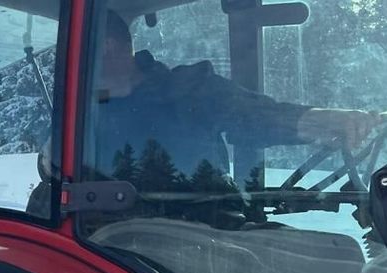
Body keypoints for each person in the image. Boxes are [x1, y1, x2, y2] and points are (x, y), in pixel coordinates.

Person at [93, 11, 382, 183]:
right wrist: (49, 160)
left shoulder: (184, 89)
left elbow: (249, 114)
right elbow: (58, 187)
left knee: (337, 255)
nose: (72, 65)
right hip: (108, 238)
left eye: (80, 53)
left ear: (106, 46)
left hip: (194, 227)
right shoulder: (85, 107)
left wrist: (320, 120)